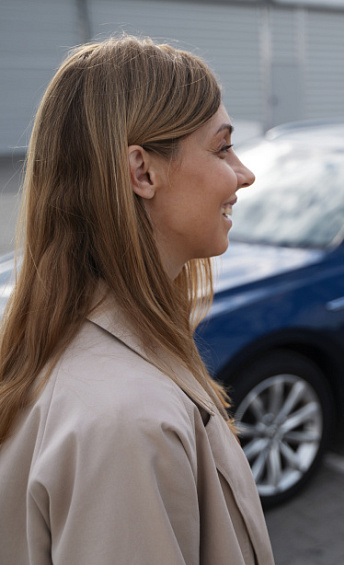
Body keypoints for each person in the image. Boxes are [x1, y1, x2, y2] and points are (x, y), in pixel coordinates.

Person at [0, 36, 274, 564]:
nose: (244, 173)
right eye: (222, 148)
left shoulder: (94, 349)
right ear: (142, 172)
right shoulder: (126, 419)